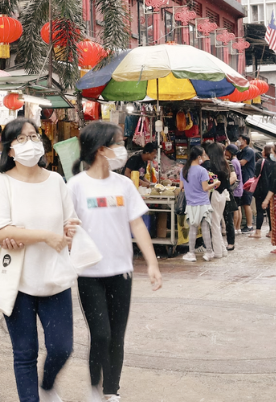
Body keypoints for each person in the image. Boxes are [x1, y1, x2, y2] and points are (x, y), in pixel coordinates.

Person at [67, 122, 162, 402]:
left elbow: (138, 226)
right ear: (101, 149)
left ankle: (111, 391)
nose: (123, 149)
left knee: (117, 336)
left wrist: (152, 264)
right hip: (89, 273)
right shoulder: (75, 186)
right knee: (102, 335)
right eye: (118, 143)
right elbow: (67, 228)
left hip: (121, 272)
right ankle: (94, 386)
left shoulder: (124, 185)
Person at [0, 117, 81, 402]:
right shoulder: (4, 183)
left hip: (54, 278)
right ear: (10, 150)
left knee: (62, 348)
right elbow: (0, 229)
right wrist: (44, 236)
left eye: (34, 136)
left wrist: (70, 229)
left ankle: (48, 383)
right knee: (25, 353)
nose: (30, 143)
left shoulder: (55, 181)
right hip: (17, 281)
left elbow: (71, 219)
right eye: (21, 139)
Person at [180, 146, 218, 262]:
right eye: (203, 154)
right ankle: (209, 252)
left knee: (193, 229)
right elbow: (205, 188)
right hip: (203, 203)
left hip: (191, 204)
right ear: (199, 157)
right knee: (205, 228)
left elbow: (181, 188)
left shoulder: (184, 170)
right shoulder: (202, 171)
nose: (204, 157)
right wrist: (216, 183)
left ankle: (191, 253)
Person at [203, 143, 233, 256]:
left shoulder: (208, 165)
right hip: (223, 195)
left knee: (214, 224)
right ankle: (222, 250)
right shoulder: (225, 164)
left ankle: (218, 252)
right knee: (217, 222)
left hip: (214, 194)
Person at [234, 135, 259, 234]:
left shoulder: (249, 151)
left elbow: (242, 163)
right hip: (242, 179)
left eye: (240, 140)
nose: (238, 141)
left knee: (246, 203)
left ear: (245, 141)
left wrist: (234, 161)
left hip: (247, 179)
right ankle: (243, 225)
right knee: (242, 203)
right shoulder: (241, 152)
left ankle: (249, 226)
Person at [251, 144, 274, 239]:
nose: (261, 152)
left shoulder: (260, 161)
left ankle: (258, 232)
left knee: (260, 210)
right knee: (270, 211)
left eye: (263, 150)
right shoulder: (274, 162)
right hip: (271, 190)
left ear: (266, 151)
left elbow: (255, 174)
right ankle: (271, 231)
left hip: (260, 189)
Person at [223, 144, 243, 248]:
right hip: (238, 189)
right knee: (237, 209)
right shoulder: (236, 161)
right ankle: (237, 228)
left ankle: (235, 228)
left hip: (234, 190)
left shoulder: (232, 163)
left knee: (233, 211)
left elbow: (233, 177)